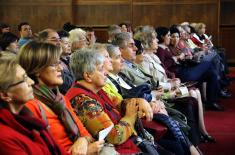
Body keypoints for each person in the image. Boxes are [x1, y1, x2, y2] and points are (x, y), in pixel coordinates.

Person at [17, 41, 104, 155]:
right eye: (54, 64)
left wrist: (82, 140)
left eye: (59, 63)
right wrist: (85, 151)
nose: (61, 69)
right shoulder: (29, 106)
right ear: (37, 70)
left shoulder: (60, 98)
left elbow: (85, 133)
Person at [0, 53, 66, 155]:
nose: (31, 82)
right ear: (5, 95)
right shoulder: (4, 138)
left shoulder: (28, 118)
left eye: (27, 76)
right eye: (24, 79)